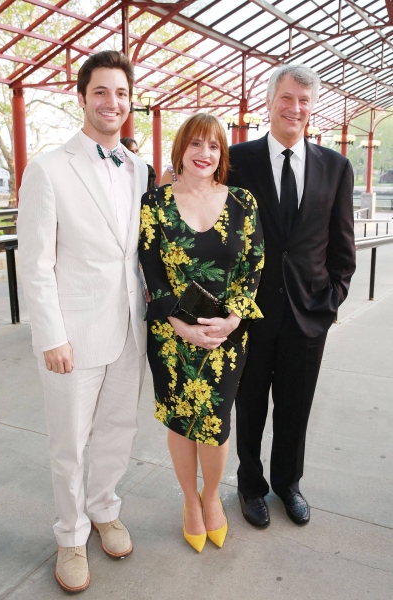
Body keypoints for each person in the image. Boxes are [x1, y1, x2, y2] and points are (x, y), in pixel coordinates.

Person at [17, 50, 148, 592]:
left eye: (120, 92)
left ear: (129, 100)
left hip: (130, 330)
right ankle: (70, 538)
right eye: (100, 92)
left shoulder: (140, 168)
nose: (111, 102)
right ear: (82, 97)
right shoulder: (48, 169)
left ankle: (103, 508)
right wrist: (51, 335)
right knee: (69, 442)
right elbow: (36, 262)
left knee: (118, 431)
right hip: (73, 336)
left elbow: (138, 254)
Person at [228, 64, 356, 529]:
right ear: (269, 100)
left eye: (303, 100)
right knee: (251, 407)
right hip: (250, 316)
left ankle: (288, 483)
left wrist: (329, 304)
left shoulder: (336, 167)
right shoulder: (236, 160)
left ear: (312, 106)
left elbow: (343, 249)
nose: (294, 109)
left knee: (296, 406)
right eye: (287, 98)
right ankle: (250, 485)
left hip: (309, 316)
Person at [139, 113, 265, 552]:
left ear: (222, 154)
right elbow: (151, 270)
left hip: (226, 337)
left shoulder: (243, 202)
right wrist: (176, 322)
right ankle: (189, 502)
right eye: (195, 144)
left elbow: (254, 267)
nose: (204, 154)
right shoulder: (154, 203)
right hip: (172, 337)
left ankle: (211, 497)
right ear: (181, 150)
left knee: (215, 423)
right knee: (180, 420)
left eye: (213, 146)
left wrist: (232, 319)